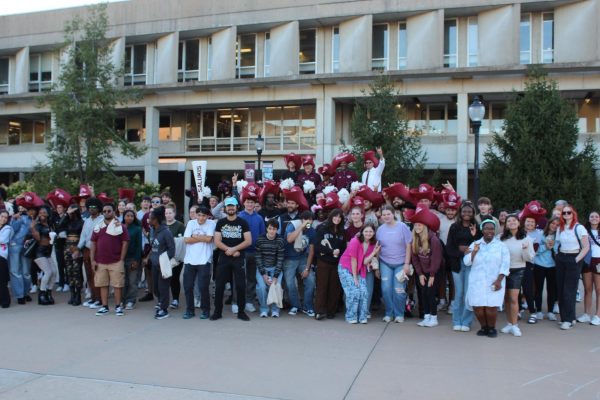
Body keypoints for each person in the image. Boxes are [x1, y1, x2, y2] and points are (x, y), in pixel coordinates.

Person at [463, 220, 510, 338]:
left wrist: (499, 280)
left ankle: (492, 328)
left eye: (492, 229)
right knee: (478, 307)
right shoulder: (475, 244)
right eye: (487, 229)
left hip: (494, 281)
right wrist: (474, 252)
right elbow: (466, 262)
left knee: (491, 307)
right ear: (482, 230)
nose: (489, 231)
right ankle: (483, 327)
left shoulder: (501, 246)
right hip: (477, 281)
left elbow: (505, 265)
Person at [211, 197, 252, 321]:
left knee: (240, 285)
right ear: (225, 208)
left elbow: (248, 241)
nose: (230, 208)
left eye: (232, 206)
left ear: (236, 207)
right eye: (228, 206)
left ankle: (241, 312)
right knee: (219, 286)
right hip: (224, 257)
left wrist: (234, 250)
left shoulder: (243, 222)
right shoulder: (221, 222)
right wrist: (228, 250)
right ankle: (218, 311)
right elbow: (217, 241)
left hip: (238, 257)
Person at [446, 202, 481, 332]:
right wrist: (461, 252)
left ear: (473, 213)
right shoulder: (454, 227)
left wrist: (474, 235)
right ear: (460, 212)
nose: (466, 214)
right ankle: (456, 320)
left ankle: (466, 321)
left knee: (468, 293)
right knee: (459, 293)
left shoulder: (476, 227)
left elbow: (480, 244)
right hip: (457, 263)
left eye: (469, 212)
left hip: (472, 264)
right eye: (464, 211)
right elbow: (449, 247)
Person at [90, 203, 129, 316]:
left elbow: (125, 242)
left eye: (109, 211)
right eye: (104, 211)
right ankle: (104, 306)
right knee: (103, 284)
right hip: (100, 261)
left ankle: (118, 306)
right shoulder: (98, 227)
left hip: (116, 261)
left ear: (113, 212)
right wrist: (92, 260)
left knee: (117, 285)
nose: (106, 213)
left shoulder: (120, 226)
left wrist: (121, 258)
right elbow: (93, 243)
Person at [407, 206, 443, 328]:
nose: (417, 227)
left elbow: (436, 259)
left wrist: (432, 275)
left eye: (420, 225)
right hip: (422, 272)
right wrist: (420, 274)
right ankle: (426, 317)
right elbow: (415, 258)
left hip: (435, 271)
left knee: (430, 294)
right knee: (423, 293)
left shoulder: (433, 240)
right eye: (415, 225)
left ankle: (434, 318)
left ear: (425, 226)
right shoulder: (415, 240)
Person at [499, 214, 535, 337]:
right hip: (503, 271)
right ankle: (509, 323)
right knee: (507, 299)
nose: (512, 222)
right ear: (506, 224)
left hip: (518, 269)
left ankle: (515, 326)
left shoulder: (526, 238)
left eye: (514, 220)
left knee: (514, 298)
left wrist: (525, 249)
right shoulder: (501, 238)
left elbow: (529, 258)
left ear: (519, 223)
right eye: (509, 221)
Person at [554, 205, 589, 330]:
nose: (566, 215)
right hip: (561, 258)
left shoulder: (579, 228)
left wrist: (576, 260)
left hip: (573, 258)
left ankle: (568, 320)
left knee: (569, 290)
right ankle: (568, 317)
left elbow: (586, 247)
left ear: (573, 213)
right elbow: (557, 243)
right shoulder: (561, 228)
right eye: (564, 213)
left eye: (569, 212)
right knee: (561, 288)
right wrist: (557, 255)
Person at [376, 204, 413, 323]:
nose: (386, 216)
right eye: (384, 214)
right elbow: (378, 248)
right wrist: (377, 267)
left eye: (388, 214)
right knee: (386, 289)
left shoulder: (402, 227)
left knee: (399, 289)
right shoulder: (380, 229)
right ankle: (389, 313)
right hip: (385, 262)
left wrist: (407, 263)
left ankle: (399, 313)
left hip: (401, 263)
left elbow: (408, 245)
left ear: (394, 214)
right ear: (381, 216)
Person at [338, 223, 380, 324]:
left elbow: (365, 262)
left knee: (364, 291)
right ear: (362, 232)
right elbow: (353, 260)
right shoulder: (355, 241)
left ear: (374, 233)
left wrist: (374, 253)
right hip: (346, 267)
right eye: (366, 231)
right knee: (354, 291)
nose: (368, 233)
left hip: (360, 268)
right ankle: (350, 316)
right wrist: (355, 277)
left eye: (370, 231)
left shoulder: (373, 244)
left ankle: (362, 316)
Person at [182, 206, 216, 319]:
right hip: (189, 261)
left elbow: (209, 239)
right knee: (187, 287)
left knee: (203, 287)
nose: (201, 218)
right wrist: (203, 237)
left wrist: (194, 236)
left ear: (208, 216)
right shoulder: (191, 223)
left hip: (204, 260)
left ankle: (206, 310)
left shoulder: (211, 224)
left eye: (204, 216)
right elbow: (186, 240)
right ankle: (189, 310)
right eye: (199, 215)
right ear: (196, 215)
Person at [282, 210, 316, 317]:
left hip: (302, 259)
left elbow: (311, 251)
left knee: (310, 280)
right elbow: (289, 239)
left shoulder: (312, 231)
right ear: (302, 220)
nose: (308, 223)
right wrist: (301, 227)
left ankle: (308, 306)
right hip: (289, 259)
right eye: (306, 220)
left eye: (310, 221)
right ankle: (295, 305)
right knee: (290, 283)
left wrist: (307, 268)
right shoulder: (292, 225)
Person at [314, 208, 346, 320]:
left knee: (334, 287)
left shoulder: (342, 231)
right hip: (323, 261)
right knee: (322, 286)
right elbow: (317, 246)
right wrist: (331, 251)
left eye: (339, 217)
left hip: (337, 263)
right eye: (335, 216)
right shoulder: (322, 228)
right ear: (331, 216)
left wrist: (339, 253)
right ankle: (319, 311)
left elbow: (344, 248)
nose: (337, 219)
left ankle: (331, 311)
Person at [238, 188, 266, 314]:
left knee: (251, 278)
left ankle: (249, 302)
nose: (250, 204)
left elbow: (262, 235)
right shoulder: (239, 216)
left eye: (252, 202)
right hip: (242, 251)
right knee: (239, 277)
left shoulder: (259, 218)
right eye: (247, 202)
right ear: (244, 203)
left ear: (255, 204)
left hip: (255, 252)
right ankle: (237, 301)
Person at [148, 207, 175, 320]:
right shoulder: (153, 230)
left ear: (157, 219)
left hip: (163, 265)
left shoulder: (166, 232)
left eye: (151, 218)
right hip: (154, 264)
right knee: (156, 288)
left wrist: (162, 260)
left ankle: (164, 309)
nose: (149, 220)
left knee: (163, 287)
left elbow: (172, 250)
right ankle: (161, 303)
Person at [255, 219, 286, 318]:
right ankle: (264, 309)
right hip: (262, 268)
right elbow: (258, 257)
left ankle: (275, 310)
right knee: (262, 288)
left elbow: (280, 259)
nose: (272, 231)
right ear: (267, 229)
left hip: (275, 268)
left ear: (277, 229)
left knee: (276, 286)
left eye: (274, 229)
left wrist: (275, 276)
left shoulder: (280, 240)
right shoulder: (260, 239)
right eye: (270, 229)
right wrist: (264, 274)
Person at [78, 197, 104, 308]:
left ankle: (99, 299)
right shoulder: (87, 221)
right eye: (90, 207)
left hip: (98, 251)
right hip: (87, 250)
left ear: (98, 208)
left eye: (94, 207)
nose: (92, 209)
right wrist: (78, 248)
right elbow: (83, 236)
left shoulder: (103, 220)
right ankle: (93, 298)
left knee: (97, 275)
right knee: (89, 275)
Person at [31, 206, 58, 306]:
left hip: (48, 252)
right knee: (48, 272)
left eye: (44, 212)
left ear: (47, 214)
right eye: (40, 212)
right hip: (40, 252)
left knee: (54, 272)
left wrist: (55, 237)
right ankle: (41, 294)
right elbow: (38, 238)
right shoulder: (37, 225)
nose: (42, 214)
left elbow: (53, 238)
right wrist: (32, 227)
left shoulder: (50, 224)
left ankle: (48, 292)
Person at [57, 205, 84, 305]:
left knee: (77, 271)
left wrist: (78, 249)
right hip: (67, 248)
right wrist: (66, 214)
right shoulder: (67, 221)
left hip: (76, 247)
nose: (71, 213)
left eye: (73, 211)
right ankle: (72, 294)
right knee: (69, 271)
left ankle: (78, 295)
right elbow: (59, 225)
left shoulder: (81, 222)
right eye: (70, 211)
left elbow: (83, 237)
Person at [533, 217, 559, 321]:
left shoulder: (559, 236)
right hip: (539, 265)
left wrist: (553, 247)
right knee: (538, 289)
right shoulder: (540, 234)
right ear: (549, 223)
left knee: (552, 289)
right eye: (553, 223)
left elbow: (559, 251)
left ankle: (550, 311)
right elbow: (535, 250)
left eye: (557, 225)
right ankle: (538, 310)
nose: (554, 226)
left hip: (553, 266)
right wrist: (546, 247)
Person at [8, 205, 33, 304]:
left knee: (26, 271)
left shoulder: (31, 218)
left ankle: (26, 292)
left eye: (24, 207)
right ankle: (19, 295)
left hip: (26, 246)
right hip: (14, 246)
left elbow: (33, 231)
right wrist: (16, 219)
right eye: (20, 207)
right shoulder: (13, 218)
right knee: (15, 271)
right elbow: (11, 231)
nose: (22, 209)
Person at [581, 211, 600, 326]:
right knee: (587, 289)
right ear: (588, 219)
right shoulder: (584, 231)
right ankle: (586, 314)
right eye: (591, 216)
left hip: (599, 261)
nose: (594, 218)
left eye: (597, 216)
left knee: (599, 290)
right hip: (587, 261)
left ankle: (597, 315)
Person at [165, 203, 185, 309]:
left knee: (174, 278)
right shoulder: (162, 224)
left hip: (177, 257)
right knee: (164, 278)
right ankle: (163, 300)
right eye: (166, 213)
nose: (168, 215)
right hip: (164, 257)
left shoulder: (180, 225)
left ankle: (175, 299)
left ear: (174, 213)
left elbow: (183, 241)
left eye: (170, 213)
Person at [122, 210, 142, 310]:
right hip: (120, 258)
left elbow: (139, 246)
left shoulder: (137, 229)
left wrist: (136, 260)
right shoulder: (119, 227)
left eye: (131, 216)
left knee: (132, 281)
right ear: (124, 216)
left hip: (132, 258)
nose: (129, 217)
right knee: (122, 280)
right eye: (127, 216)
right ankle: (122, 300)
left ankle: (131, 300)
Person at [0, 211, 13, 308]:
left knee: (2, 280)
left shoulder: (7, 228)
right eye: (2, 216)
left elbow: (3, 240)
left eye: (6, 217)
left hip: (1, 256)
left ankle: (5, 301)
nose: (4, 219)